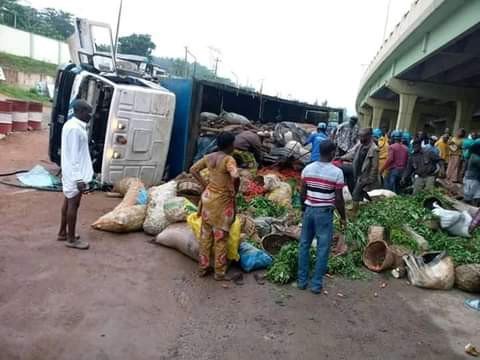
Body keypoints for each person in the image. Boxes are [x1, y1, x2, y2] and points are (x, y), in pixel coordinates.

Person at [297, 140, 346, 294]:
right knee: (323, 248)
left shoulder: (307, 169)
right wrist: (343, 217)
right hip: (324, 213)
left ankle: (302, 281)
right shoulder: (337, 172)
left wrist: (303, 209)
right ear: (332, 153)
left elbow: (302, 192)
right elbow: (338, 198)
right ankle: (316, 284)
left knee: (304, 245)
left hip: (309, 210)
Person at [190, 132, 240, 280]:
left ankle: (203, 268)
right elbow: (236, 176)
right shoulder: (228, 160)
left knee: (205, 236)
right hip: (222, 202)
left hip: (207, 199)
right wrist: (235, 189)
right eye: (233, 143)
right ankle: (219, 273)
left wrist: (205, 185)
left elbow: (193, 169)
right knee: (220, 238)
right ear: (230, 145)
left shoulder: (209, 157)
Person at [57, 99, 93, 250]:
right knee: (73, 204)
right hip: (75, 174)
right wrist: (79, 178)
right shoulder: (74, 129)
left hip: (72, 172)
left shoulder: (74, 126)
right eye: (88, 112)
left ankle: (62, 233)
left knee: (68, 202)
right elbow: (74, 157)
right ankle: (71, 239)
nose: (90, 115)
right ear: (79, 111)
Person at [341, 128, 379, 214]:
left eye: (362, 137)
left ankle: (354, 213)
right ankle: (371, 204)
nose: (360, 138)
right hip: (357, 173)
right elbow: (352, 154)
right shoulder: (360, 145)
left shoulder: (374, 149)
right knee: (360, 191)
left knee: (356, 193)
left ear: (369, 136)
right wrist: (342, 157)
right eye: (360, 136)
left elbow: (375, 166)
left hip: (365, 175)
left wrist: (370, 179)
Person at [463, 142, 480, 206]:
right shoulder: (476, 158)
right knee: (471, 196)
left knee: (472, 195)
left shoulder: (473, 155)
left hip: (473, 178)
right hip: (473, 179)